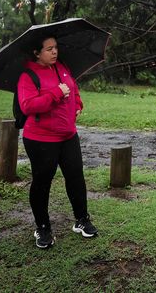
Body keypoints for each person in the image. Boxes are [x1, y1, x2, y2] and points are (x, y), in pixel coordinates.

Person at [17, 36, 98, 249]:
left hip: (68, 135)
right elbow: (28, 106)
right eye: (49, 49)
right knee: (42, 182)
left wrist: (77, 104)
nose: (54, 52)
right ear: (36, 52)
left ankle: (82, 219)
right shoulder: (28, 75)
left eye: (56, 48)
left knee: (76, 177)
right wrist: (56, 93)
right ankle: (42, 227)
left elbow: (74, 88)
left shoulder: (61, 67)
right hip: (41, 139)